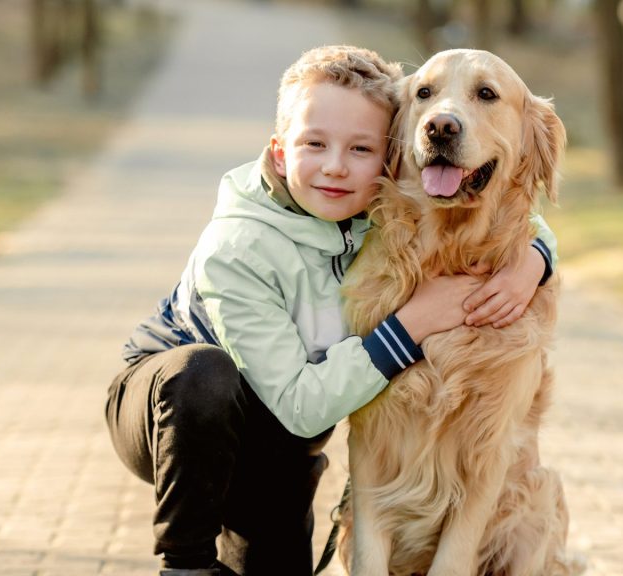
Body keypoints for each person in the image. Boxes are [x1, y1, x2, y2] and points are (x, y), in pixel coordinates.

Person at [104, 45, 558, 576]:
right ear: (279, 153)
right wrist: (414, 322)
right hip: (173, 413)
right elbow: (303, 407)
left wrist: (534, 258)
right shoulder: (235, 248)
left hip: (275, 435)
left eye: (361, 149)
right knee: (204, 376)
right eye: (314, 144)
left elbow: (508, 207)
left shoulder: (374, 203)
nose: (337, 166)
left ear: (387, 153)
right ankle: (186, 564)